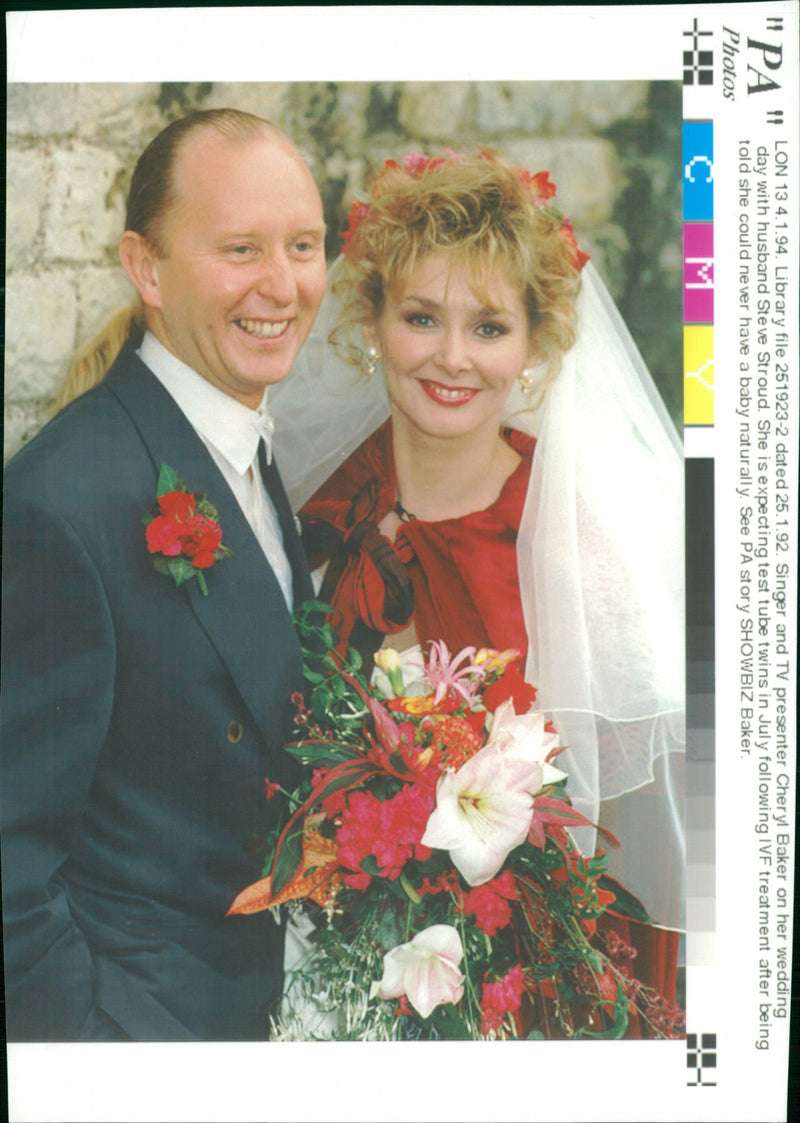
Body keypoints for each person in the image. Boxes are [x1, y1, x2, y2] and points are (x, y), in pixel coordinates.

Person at [270, 150, 685, 994]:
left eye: (490, 327)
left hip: (521, 981)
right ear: (372, 321)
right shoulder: (308, 505)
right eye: (422, 317)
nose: (452, 357)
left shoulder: (578, 543)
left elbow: (626, 833)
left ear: (535, 345)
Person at [0, 109, 327, 1041]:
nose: (283, 285)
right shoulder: (61, 502)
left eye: (303, 245)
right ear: (146, 268)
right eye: (240, 248)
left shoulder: (243, 444)